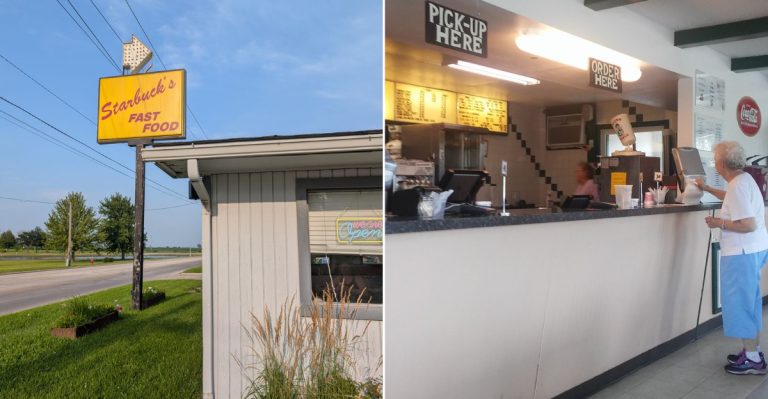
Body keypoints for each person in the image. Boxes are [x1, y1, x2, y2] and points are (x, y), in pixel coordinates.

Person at [695, 141, 768, 375]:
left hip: (741, 254)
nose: (714, 162)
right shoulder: (743, 180)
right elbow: (730, 196)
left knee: (742, 304)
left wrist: (719, 223)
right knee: (751, 302)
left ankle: (753, 360)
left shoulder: (738, 185)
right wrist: (706, 188)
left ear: (721, 163)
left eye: (715, 158)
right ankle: (751, 351)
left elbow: (748, 224)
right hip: (753, 251)